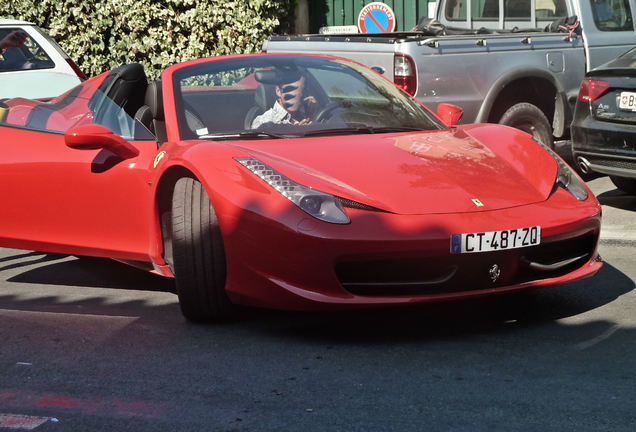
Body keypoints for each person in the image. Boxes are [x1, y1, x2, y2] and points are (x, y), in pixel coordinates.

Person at [251, 71, 317, 129]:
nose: (299, 95)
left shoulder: (307, 111)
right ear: (278, 91)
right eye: (291, 89)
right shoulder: (264, 123)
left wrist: (313, 114)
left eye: (303, 90)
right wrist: (297, 132)